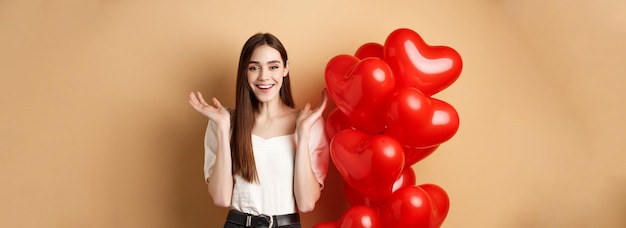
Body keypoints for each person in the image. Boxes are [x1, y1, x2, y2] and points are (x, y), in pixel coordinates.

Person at [188, 33, 329, 228]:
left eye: (273, 67)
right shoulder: (223, 122)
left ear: (285, 69)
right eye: (254, 68)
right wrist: (222, 129)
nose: (264, 77)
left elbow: (306, 203)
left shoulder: (308, 123)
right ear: (245, 72)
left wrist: (303, 134)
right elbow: (221, 199)